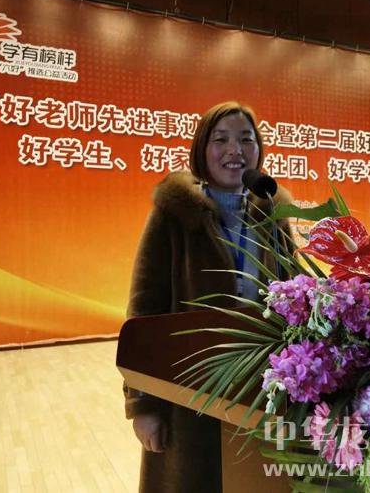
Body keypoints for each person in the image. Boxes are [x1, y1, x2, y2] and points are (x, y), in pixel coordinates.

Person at [123, 101, 293, 493]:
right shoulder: (173, 214)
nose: (235, 150)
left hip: (261, 391)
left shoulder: (272, 215)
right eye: (221, 140)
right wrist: (143, 405)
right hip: (188, 394)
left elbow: (295, 295)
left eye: (245, 140)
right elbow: (144, 311)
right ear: (202, 148)